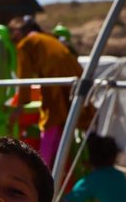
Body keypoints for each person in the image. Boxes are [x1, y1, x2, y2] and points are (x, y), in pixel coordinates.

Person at [7, 16, 84, 167]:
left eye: (12, 32)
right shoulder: (49, 38)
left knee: (49, 123)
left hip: (55, 81)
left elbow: (25, 78)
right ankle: (63, 165)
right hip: (76, 81)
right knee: (63, 123)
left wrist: (20, 106)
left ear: (18, 31)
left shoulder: (25, 44)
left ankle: (43, 168)